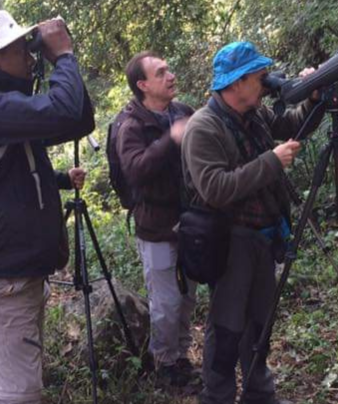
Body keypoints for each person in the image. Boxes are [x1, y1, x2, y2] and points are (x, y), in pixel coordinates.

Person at [0, 10, 94, 404]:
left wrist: (62, 64)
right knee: (19, 395)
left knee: (4, 384)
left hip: (9, 274)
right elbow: (62, 110)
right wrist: (62, 57)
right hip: (1, 281)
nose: (30, 56)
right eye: (19, 49)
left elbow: (79, 120)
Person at [181, 42, 325, 404]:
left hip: (263, 236)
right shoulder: (204, 127)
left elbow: (292, 125)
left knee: (260, 322)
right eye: (258, 76)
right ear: (236, 83)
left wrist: (313, 99)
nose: (265, 80)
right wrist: (271, 162)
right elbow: (215, 189)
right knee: (227, 327)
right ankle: (218, 397)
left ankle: (260, 394)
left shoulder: (254, 113)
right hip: (230, 242)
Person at [117, 51, 197, 387]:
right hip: (155, 227)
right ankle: (165, 364)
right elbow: (135, 171)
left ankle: (182, 356)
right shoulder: (130, 125)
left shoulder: (182, 112)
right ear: (143, 85)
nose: (170, 75)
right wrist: (171, 139)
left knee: (189, 296)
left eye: (169, 69)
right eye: (161, 72)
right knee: (165, 301)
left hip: (192, 221)